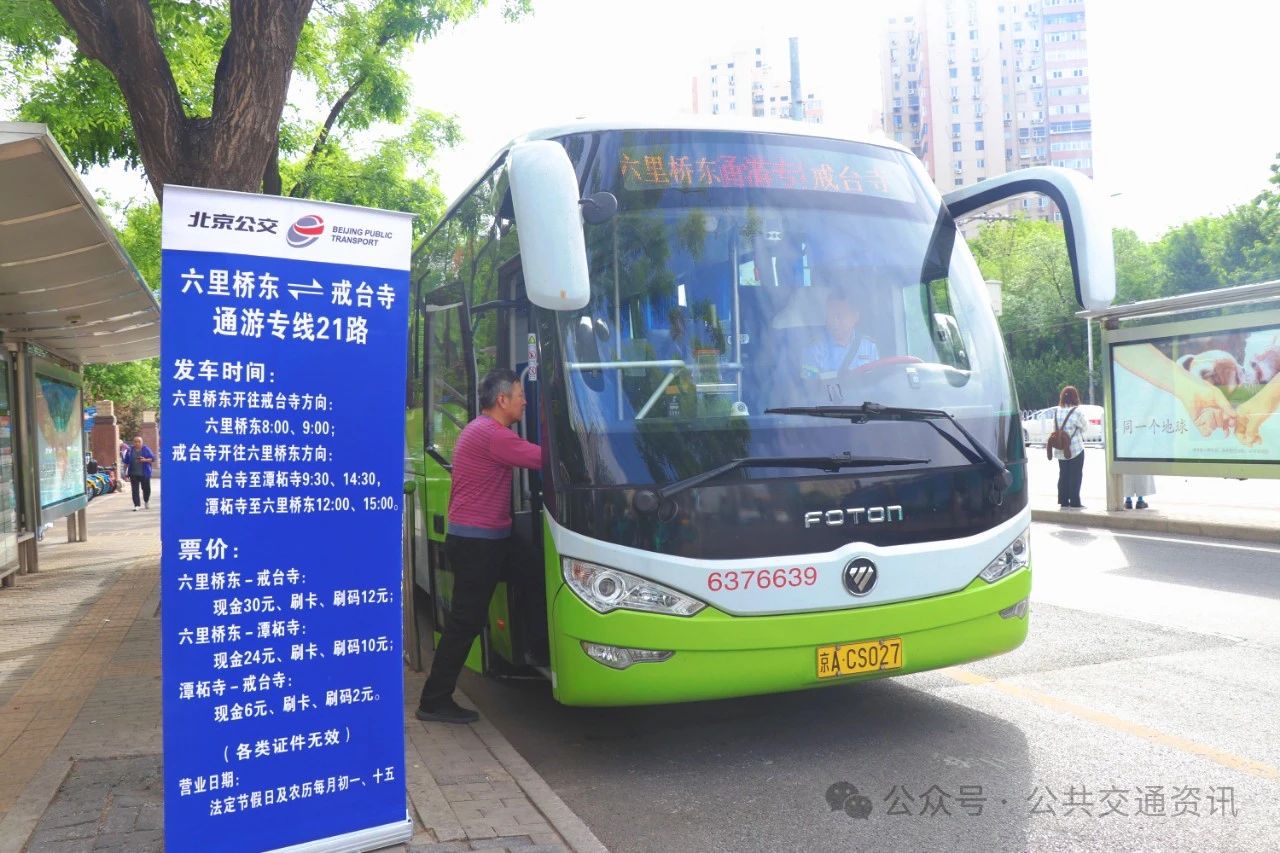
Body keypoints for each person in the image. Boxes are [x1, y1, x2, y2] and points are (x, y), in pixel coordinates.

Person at [417, 368, 542, 724]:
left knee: (537, 574)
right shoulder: (492, 435)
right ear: (502, 400)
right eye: (520, 395)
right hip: (477, 544)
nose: (525, 402)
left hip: (492, 538)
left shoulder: (480, 429)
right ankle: (434, 701)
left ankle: (538, 647)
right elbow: (543, 459)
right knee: (465, 622)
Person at [800, 291, 879, 379]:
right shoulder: (813, 350)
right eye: (830, 316)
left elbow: (876, 380)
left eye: (840, 316)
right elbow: (809, 383)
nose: (834, 322)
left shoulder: (869, 347)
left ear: (855, 317)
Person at [1052, 385, 1087, 508]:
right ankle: (1075, 502)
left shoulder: (1057, 411)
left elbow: (1054, 428)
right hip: (1075, 448)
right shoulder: (1077, 412)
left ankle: (1063, 500)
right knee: (1075, 475)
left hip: (1060, 448)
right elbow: (1085, 427)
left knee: (1063, 474)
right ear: (1075, 397)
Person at [122, 436, 155, 511]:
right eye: (135, 441)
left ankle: (146, 501)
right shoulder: (130, 450)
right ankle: (137, 505)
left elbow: (153, 459)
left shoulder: (146, 449)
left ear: (142, 442)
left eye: (139, 441)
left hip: (144, 473)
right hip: (133, 473)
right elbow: (126, 462)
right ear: (133, 442)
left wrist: (144, 460)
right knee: (135, 490)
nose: (137, 443)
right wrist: (125, 473)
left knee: (146, 489)